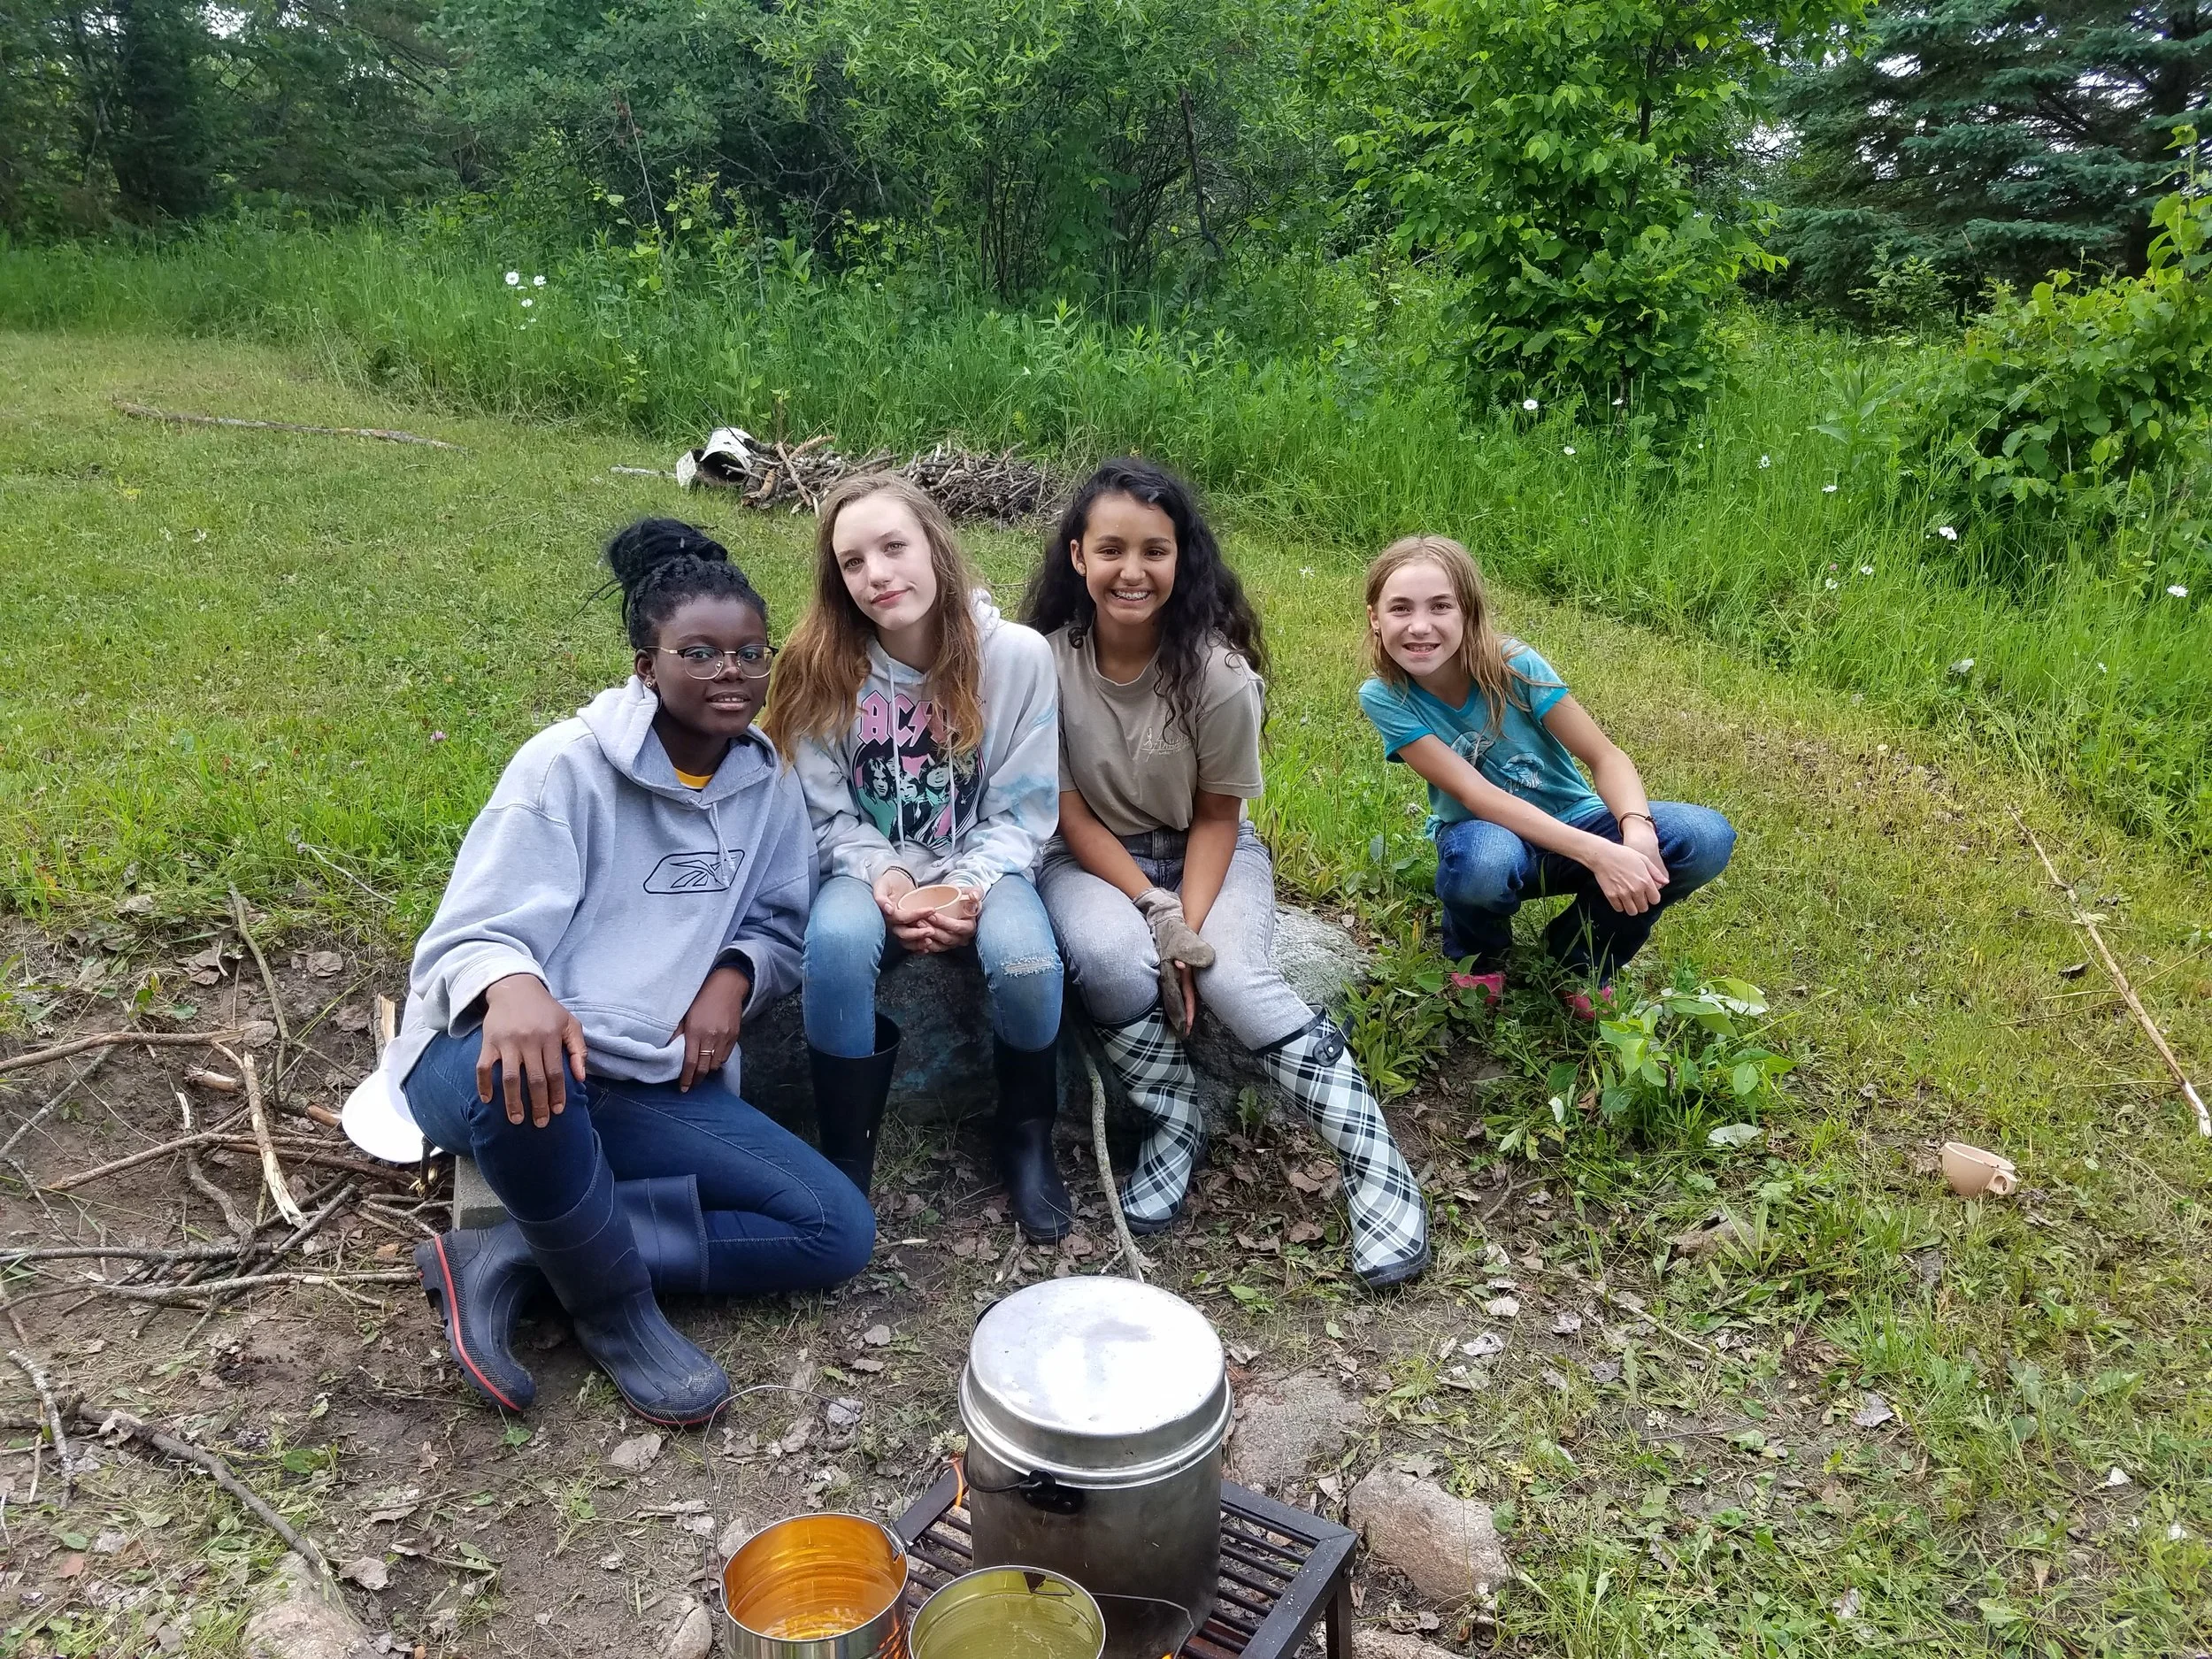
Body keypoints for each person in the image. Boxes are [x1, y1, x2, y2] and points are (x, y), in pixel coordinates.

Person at [388, 519, 874, 1426]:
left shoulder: (765, 787)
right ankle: (615, 1312)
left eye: (748, 654)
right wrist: (514, 985)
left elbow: (778, 922)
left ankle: (514, 1257)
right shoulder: (565, 767)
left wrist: (733, 977)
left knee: (834, 1229)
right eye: (699, 652)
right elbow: (467, 935)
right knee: (531, 1076)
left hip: (637, 1078)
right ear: (646, 665)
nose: (730, 672)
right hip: (482, 1061)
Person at [1023, 457, 1430, 1292]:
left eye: (1155, 550)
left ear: (1183, 559)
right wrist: (1152, 913)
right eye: (1111, 550)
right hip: (1092, 856)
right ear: (1077, 557)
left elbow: (1218, 816)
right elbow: (1066, 809)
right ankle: (1176, 1125)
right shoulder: (1043, 664)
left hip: (1207, 851)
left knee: (1235, 971)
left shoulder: (1217, 674)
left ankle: (1377, 1167)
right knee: (1109, 957)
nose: (1132, 571)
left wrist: (1186, 928)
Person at [762, 475, 1071, 1240]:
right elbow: (825, 811)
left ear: (936, 545)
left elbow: (1025, 808)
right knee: (834, 946)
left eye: (894, 546)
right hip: (866, 867)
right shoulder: (817, 664)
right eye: (853, 561)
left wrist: (963, 887)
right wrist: (887, 876)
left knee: (1029, 962)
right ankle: (846, 1158)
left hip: (987, 862)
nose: (878, 575)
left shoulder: (1019, 658)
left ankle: (1026, 1138)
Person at [1358, 534, 1735, 1014]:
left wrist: (1635, 831)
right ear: (1375, 618)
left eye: (1440, 607)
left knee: (1703, 836)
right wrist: (1601, 854)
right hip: (1486, 834)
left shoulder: (1513, 665)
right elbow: (1477, 795)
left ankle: (1582, 956)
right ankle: (1481, 956)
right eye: (1399, 609)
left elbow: (1606, 756)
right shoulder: (1385, 696)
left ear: (1468, 613)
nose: (1419, 626)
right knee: (1484, 864)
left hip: (1576, 818)